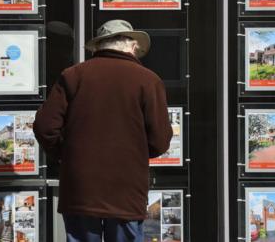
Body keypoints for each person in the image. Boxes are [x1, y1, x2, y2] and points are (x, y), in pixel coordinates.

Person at [33, 20, 173, 242]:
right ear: (132, 46)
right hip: (126, 186)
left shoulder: (73, 75)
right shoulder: (148, 80)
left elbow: (44, 126)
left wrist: (67, 155)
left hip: (80, 186)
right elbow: (160, 140)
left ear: (98, 47)